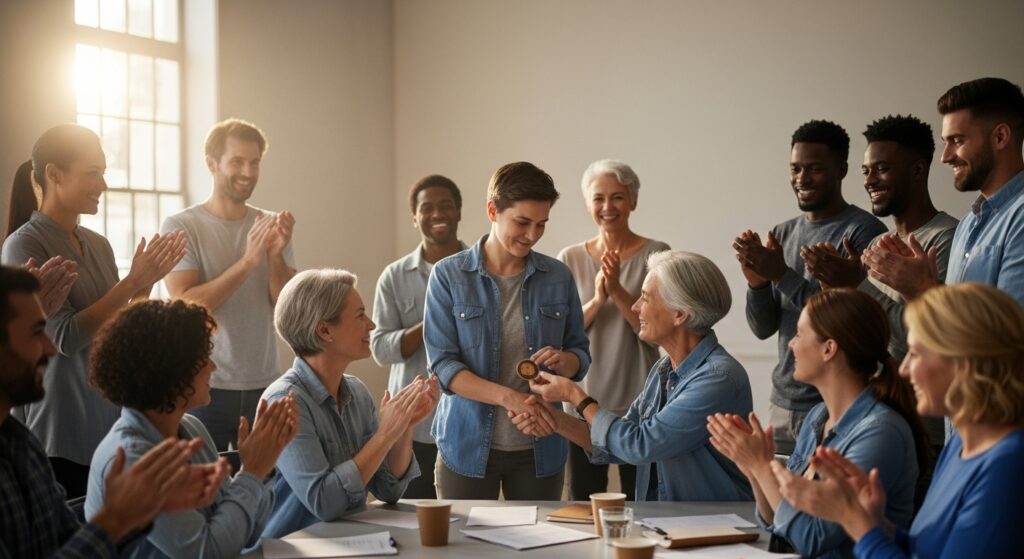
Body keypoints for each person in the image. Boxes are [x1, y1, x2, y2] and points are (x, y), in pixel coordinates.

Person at [770, 283, 1024, 558]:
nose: (903, 369)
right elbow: (924, 550)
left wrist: (856, 521)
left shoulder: (1008, 463)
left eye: (915, 354)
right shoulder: (960, 445)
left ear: (962, 362)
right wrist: (876, 523)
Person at [2, 124, 186, 497]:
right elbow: (65, 338)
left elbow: (120, 333)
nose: (102, 184)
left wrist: (146, 282)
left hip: (110, 422)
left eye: (103, 172)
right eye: (92, 173)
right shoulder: (23, 246)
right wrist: (132, 282)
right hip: (59, 433)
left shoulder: (98, 244)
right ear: (53, 174)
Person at [0, 265, 217, 558]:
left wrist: (134, 512)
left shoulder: (21, 444)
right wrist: (115, 519)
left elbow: (64, 541)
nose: (50, 349)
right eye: (37, 332)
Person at [511, 251, 753, 501]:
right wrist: (553, 418)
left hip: (714, 526)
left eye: (645, 298)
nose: (635, 306)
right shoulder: (663, 369)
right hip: (668, 524)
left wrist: (575, 396)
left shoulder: (718, 379)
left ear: (679, 314)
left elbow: (639, 445)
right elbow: (617, 445)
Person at [707, 289, 925, 558]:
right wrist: (753, 470)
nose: (791, 344)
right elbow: (778, 520)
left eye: (798, 334)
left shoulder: (881, 432)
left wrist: (763, 467)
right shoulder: (817, 416)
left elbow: (809, 539)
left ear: (828, 349)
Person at [423, 161, 591, 500]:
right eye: (522, 222)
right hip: (466, 446)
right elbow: (444, 368)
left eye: (541, 224)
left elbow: (580, 353)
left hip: (541, 447)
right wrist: (511, 399)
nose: (532, 235)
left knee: (539, 549)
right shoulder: (448, 276)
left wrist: (565, 361)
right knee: (463, 550)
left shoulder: (557, 276)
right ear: (492, 210)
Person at [84, 299, 298, 558]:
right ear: (172, 371)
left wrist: (261, 468)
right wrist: (252, 471)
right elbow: (207, 552)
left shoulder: (190, 428)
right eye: (204, 359)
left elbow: (246, 532)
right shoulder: (132, 457)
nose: (213, 367)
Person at [734, 120, 887, 454]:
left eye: (814, 168)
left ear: (842, 169)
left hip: (834, 403)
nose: (802, 179)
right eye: (795, 168)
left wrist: (782, 275)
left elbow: (846, 321)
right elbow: (762, 328)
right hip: (782, 403)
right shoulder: (784, 232)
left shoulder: (863, 231)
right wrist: (758, 284)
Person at [262, 269, 437, 538]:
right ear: (324, 330)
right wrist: (386, 434)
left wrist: (404, 427)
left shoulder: (356, 391)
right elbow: (325, 503)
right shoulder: (285, 402)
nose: (371, 324)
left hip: (349, 541)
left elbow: (388, 490)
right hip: (294, 547)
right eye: (359, 315)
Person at [161, 118, 297, 452]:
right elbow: (185, 304)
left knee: (267, 488)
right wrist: (249, 261)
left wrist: (275, 257)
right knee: (209, 488)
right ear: (211, 163)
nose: (248, 172)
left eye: (254, 162)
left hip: (267, 383)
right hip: (204, 387)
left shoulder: (270, 225)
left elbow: (288, 309)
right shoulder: (180, 226)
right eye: (237, 161)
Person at [556, 159, 670, 501]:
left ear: (633, 201)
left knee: (643, 499)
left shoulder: (657, 254)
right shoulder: (569, 258)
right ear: (588, 203)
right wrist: (597, 298)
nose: (608, 207)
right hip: (582, 400)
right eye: (598, 198)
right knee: (584, 499)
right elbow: (563, 334)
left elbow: (659, 331)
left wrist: (618, 292)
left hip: (641, 401)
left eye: (618, 197)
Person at [860, 78, 1024, 305]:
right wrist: (912, 289)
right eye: (945, 142)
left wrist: (924, 288)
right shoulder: (967, 225)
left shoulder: (1020, 218)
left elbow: (1012, 332)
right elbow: (949, 331)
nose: (945, 157)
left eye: (957, 140)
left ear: (1000, 137)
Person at [371, 174, 466, 499]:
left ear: (459, 212)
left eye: (446, 206)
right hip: (412, 428)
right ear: (415, 217)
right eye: (427, 208)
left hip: (465, 422)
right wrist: (433, 319)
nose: (437, 214)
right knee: (412, 523)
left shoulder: (480, 271)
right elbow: (381, 349)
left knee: (463, 521)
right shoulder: (394, 277)